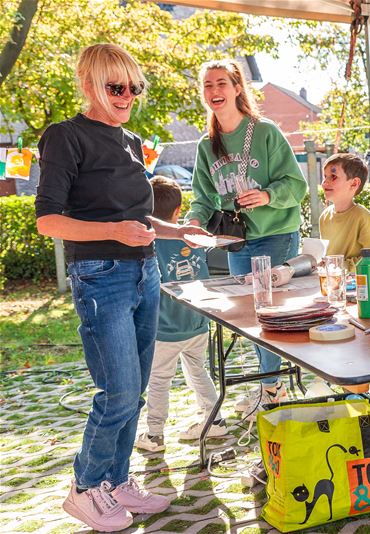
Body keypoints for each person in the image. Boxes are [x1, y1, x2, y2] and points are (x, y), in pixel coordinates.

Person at [35, 43, 208, 532]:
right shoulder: (65, 137)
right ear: (89, 85)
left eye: (135, 86)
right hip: (101, 277)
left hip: (144, 272)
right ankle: (85, 488)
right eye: (117, 86)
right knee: (119, 390)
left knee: (134, 393)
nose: (128, 94)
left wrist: (178, 231)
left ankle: (116, 481)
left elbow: (134, 216)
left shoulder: (130, 139)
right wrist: (114, 233)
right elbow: (49, 220)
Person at [187, 59, 309, 420]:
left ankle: (272, 387)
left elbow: (297, 185)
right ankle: (272, 385)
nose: (214, 91)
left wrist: (267, 196)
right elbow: (202, 196)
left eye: (221, 83)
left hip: (276, 236)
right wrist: (193, 221)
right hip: (235, 241)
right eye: (208, 85)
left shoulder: (265, 132)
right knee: (251, 317)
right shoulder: (206, 146)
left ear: (238, 88)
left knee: (271, 314)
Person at [135, 176, 225, 454]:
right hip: (198, 322)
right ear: (178, 211)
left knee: (159, 380)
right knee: (198, 371)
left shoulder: (149, 242)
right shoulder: (192, 237)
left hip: (164, 328)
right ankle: (215, 420)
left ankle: (154, 435)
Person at [320, 153, 370, 271]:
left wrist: (343, 266)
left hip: (359, 284)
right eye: (325, 176)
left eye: (333, 176)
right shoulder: (324, 217)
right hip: (333, 282)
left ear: (354, 183)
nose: (324, 182)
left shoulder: (362, 217)